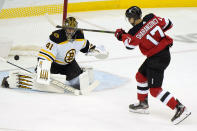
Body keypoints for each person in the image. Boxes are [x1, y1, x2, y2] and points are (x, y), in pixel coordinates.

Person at [114, 6, 191, 125]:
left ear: (133, 19)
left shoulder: (133, 32)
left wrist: (121, 35)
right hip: (162, 54)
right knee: (140, 76)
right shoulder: (151, 17)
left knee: (155, 90)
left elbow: (129, 45)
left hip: (157, 59)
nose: (129, 20)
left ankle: (180, 108)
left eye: (129, 18)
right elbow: (169, 24)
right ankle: (143, 104)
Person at [36, 16, 108, 90]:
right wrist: (43, 69)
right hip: (55, 65)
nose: (70, 31)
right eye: (68, 28)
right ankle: (41, 72)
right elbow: (45, 55)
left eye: (72, 29)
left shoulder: (79, 37)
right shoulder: (57, 38)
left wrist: (98, 51)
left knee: (78, 82)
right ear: (64, 28)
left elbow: (87, 47)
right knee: (48, 83)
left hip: (69, 64)